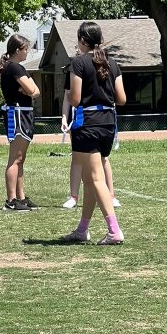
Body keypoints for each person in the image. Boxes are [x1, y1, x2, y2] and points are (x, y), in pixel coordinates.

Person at [64, 22, 126, 246]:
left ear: (82, 40)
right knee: (89, 179)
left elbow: (76, 99)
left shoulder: (78, 63)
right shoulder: (113, 63)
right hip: (108, 123)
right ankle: (82, 229)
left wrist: (70, 97)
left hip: (87, 124)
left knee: (95, 179)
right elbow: (122, 99)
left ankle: (114, 230)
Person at [60, 58, 120, 210]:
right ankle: (73, 196)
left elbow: (119, 96)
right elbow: (69, 96)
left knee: (103, 159)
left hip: (99, 117)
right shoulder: (76, 67)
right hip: (81, 117)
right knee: (78, 158)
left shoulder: (106, 65)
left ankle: (111, 195)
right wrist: (64, 117)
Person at [0, 33, 40, 212]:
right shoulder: (13, 67)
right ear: (17, 50)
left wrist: (29, 91)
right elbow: (31, 88)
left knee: (20, 159)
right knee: (15, 158)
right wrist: (28, 90)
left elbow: (36, 92)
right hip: (17, 113)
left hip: (25, 113)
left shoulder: (18, 68)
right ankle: (11, 199)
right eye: (25, 50)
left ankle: (21, 197)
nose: (27, 53)